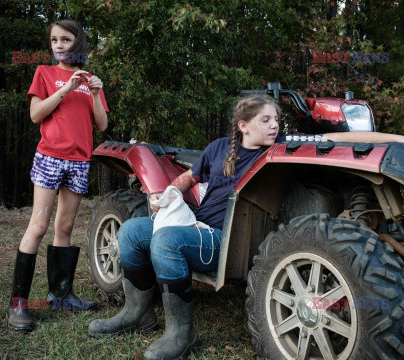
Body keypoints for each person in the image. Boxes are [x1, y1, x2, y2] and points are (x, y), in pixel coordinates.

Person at [87, 93, 280, 359]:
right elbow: (189, 178)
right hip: (197, 224)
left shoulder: (276, 152)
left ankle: (182, 333)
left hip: (224, 241)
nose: (274, 126)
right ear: (243, 125)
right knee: (130, 232)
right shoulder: (219, 147)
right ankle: (138, 314)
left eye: (276, 120)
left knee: (167, 240)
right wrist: (165, 195)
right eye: (266, 119)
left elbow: (324, 141)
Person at [7, 19, 109, 332]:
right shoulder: (45, 73)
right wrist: (65, 88)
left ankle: (60, 295)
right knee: (38, 226)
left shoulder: (90, 78)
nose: (59, 45)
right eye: (54, 40)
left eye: (65, 40)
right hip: (50, 158)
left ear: (77, 43)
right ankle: (18, 306)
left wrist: (93, 92)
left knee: (64, 227)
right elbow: (36, 114)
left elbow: (102, 125)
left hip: (79, 161)